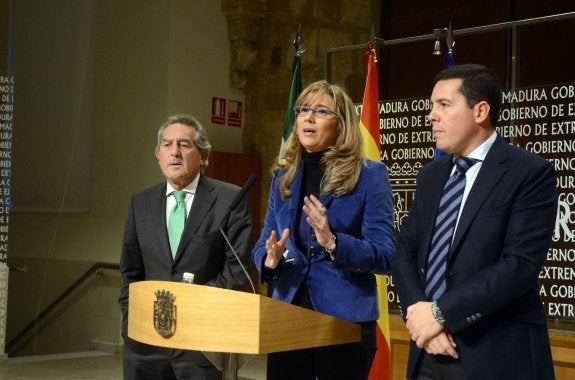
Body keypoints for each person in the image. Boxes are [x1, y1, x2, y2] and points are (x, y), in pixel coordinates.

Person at [391, 64, 557, 380]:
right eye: (431, 106)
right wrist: (421, 316)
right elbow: (405, 251)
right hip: (428, 351)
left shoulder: (529, 173)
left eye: (443, 105)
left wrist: (441, 314)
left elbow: (518, 266)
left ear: (480, 111)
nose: (431, 116)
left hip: (495, 353)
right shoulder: (431, 175)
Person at [252, 80, 395, 380]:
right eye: (303, 109)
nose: (308, 117)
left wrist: (333, 242)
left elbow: (384, 255)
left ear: (341, 123)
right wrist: (269, 260)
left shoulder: (368, 176)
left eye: (320, 111)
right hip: (289, 316)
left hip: (344, 321)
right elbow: (265, 242)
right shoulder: (284, 176)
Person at [118, 114, 253, 380]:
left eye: (184, 144)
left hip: (199, 346)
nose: (174, 153)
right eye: (167, 145)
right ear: (157, 154)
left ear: (204, 155)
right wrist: (129, 324)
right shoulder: (140, 203)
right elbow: (130, 273)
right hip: (145, 346)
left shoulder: (230, 200)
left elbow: (237, 272)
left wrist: (190, 310)